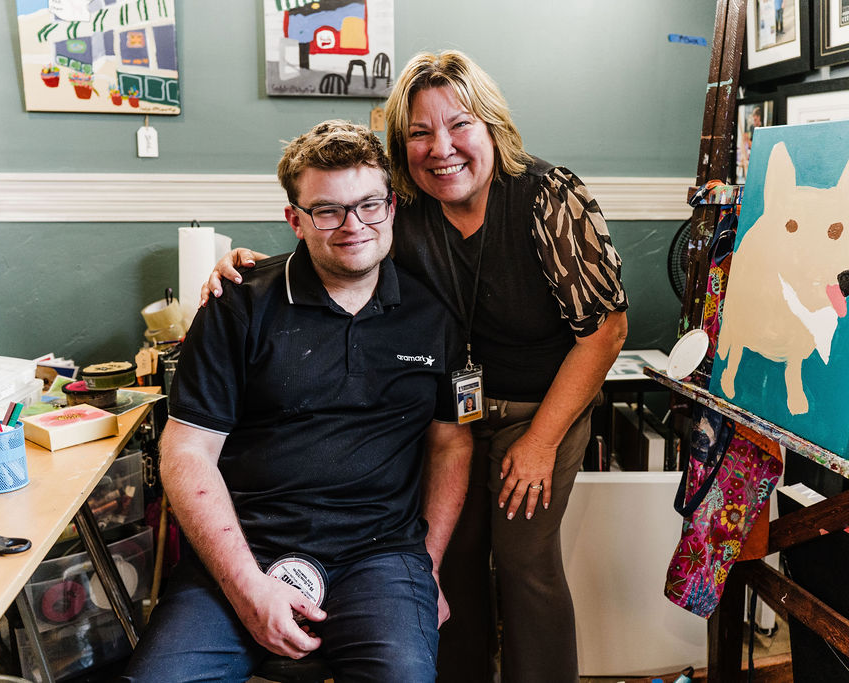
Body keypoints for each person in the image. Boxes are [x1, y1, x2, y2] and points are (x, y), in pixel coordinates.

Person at [203, 50, 628, 683]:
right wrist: (251, 271)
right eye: (420, 133)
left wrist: (540, 443)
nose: (442, 147)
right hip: (447, 413)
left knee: (522, 561)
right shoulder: (407, 203)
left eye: (459, 125)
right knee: (448, 560)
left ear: (492, 127)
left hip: (541, 409)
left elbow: (607, 329)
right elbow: (344, 244)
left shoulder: (547, 195)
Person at [125, 120, 472, 682]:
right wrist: (246, 588)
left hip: (381, 555)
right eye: (327, 210)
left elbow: (451, 444)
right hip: (246, 547)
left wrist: (426, 568)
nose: (353, 225)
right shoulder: (238, 304)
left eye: (369, 205)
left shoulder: (432, 315)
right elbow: (185, 452)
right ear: (295, 220)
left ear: (390, 208)